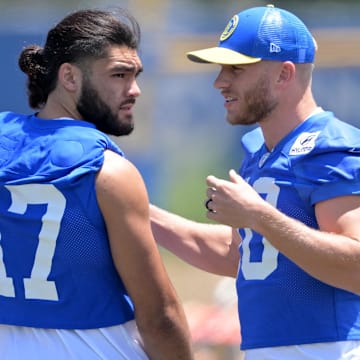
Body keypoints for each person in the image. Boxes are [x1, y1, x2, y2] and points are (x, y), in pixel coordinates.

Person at [150, 4, 360, 359]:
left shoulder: (331, 146)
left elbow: (355, 266)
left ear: (284, 74)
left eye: (237, 68)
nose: (219, 81)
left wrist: (258, 216)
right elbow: (243, 255)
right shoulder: (260, 151)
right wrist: (138, 213)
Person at [0, 8, 194, 360]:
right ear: (70, 77)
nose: (134, 90)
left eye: (135, 75)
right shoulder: (108, 172)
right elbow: (159, 318)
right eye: (118, 75)